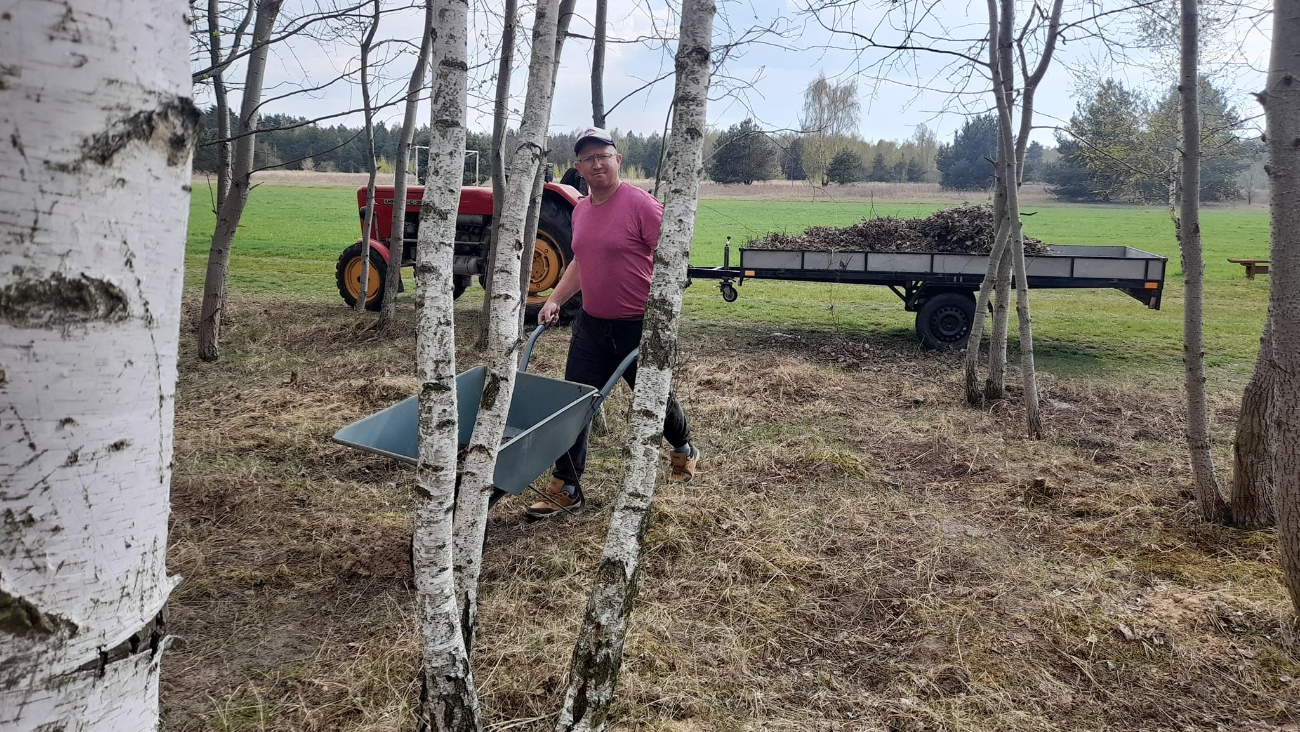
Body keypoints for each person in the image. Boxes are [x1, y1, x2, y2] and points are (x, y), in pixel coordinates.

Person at [526, 127, 700, 519]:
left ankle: (683, 447)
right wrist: (554, 298)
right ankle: (567, 485)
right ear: (578, 168)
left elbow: (673, 260)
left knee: (653, 398)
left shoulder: (642, 205)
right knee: (574, 403)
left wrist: (662, 315)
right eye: (588, 158)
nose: (597, 163)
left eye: (603, 155)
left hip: (638, 326)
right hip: (591, 326)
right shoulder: (582, 209)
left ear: (617, 160)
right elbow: (580, 262)